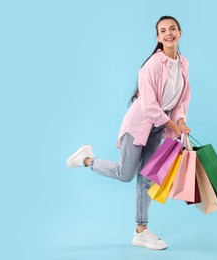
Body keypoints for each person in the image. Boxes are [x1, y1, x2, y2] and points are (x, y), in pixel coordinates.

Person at [66, 15, 191, 250]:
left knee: (146, 179)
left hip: (159, 128)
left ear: (180, 33)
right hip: (139, 125)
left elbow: (183, 98)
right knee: (125, 174)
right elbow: (149, 104)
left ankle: (141, 231)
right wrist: (173, 125)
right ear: (158, 37)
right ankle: (86, 160)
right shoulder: (152, 64)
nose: (168, 33)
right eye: (163, 30)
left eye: (172, 29)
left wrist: (181, 120)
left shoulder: (184, 63)